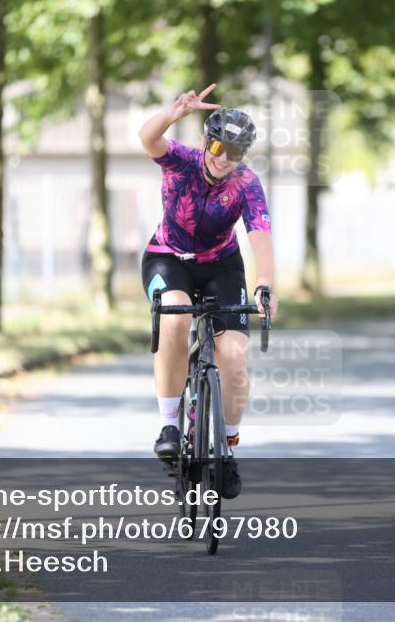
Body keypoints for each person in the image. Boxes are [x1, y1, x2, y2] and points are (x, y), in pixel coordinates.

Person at [138, 84, 279, 500]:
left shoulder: (247, 184)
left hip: (221, 265)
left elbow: (261, 235)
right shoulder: (180, 161)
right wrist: (174, 114)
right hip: (168, 258)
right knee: (176, 314)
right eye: (218, 146)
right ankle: (169, 423)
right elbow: (147, 138)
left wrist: (265, 283)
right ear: (206, 142)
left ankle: (229, 448)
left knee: (235, 353)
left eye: (234, 153)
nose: (223, 158)